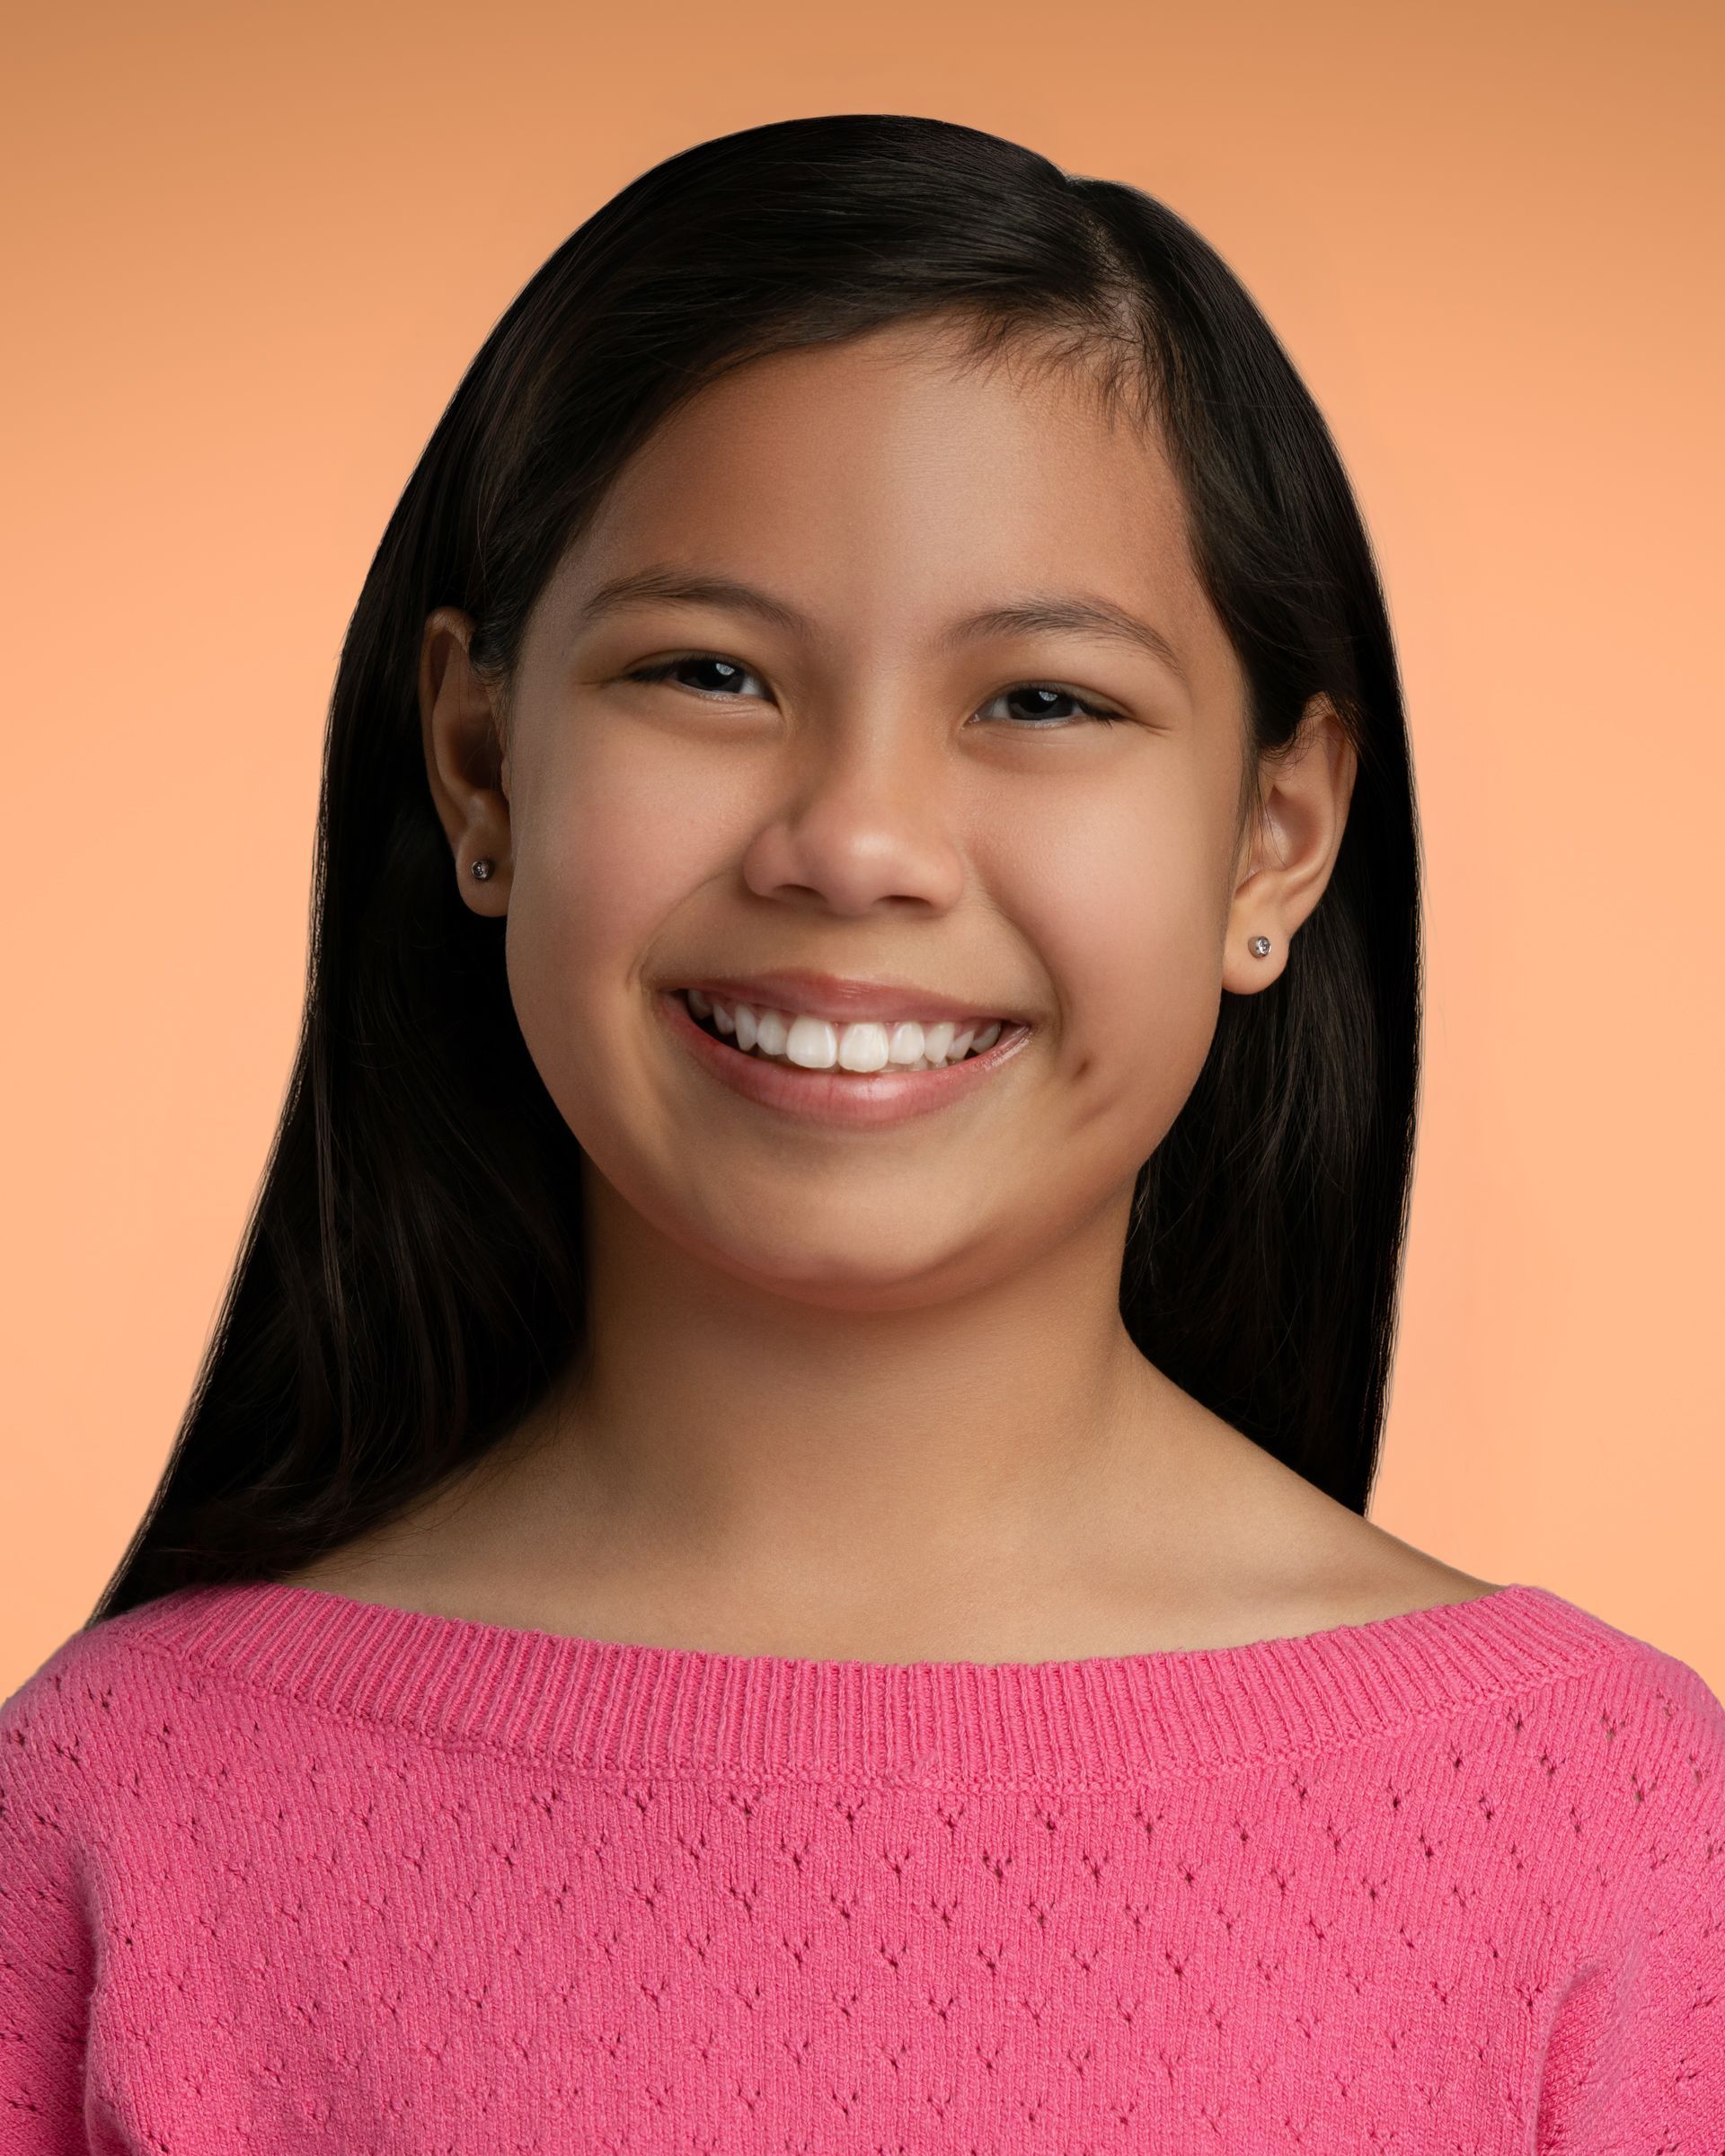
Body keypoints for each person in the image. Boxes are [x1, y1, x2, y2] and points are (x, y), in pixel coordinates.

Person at [3, 112, 1719, 2150]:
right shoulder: (126, 1812)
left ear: (1278, 835)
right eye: (709, 672)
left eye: (1046, 702)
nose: (859, 843)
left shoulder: (1594, 1822)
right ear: (479, 768)